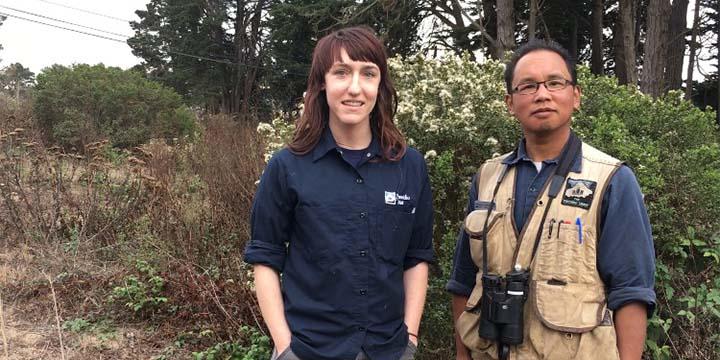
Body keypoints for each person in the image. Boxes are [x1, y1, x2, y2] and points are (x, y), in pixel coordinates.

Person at [447, 39, 656, 360]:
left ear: (576, 96)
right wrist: (462, 355)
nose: (542, 94)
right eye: (528, 86)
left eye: (554, 83)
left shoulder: (611, 179)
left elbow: (631, 293)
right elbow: (462, 280)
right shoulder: (487, 177)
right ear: (510, 102)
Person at [244, 26, 434, 360]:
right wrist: (285, 347)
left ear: (381, 85)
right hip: (307, 348)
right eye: (341, 73)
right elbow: (265, 257)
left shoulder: (410, 166)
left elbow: (416, 257)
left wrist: (411, 338)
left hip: (388, 349)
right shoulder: (287, 166)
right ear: (322, 83)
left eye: (368, 74)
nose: (355, 88)